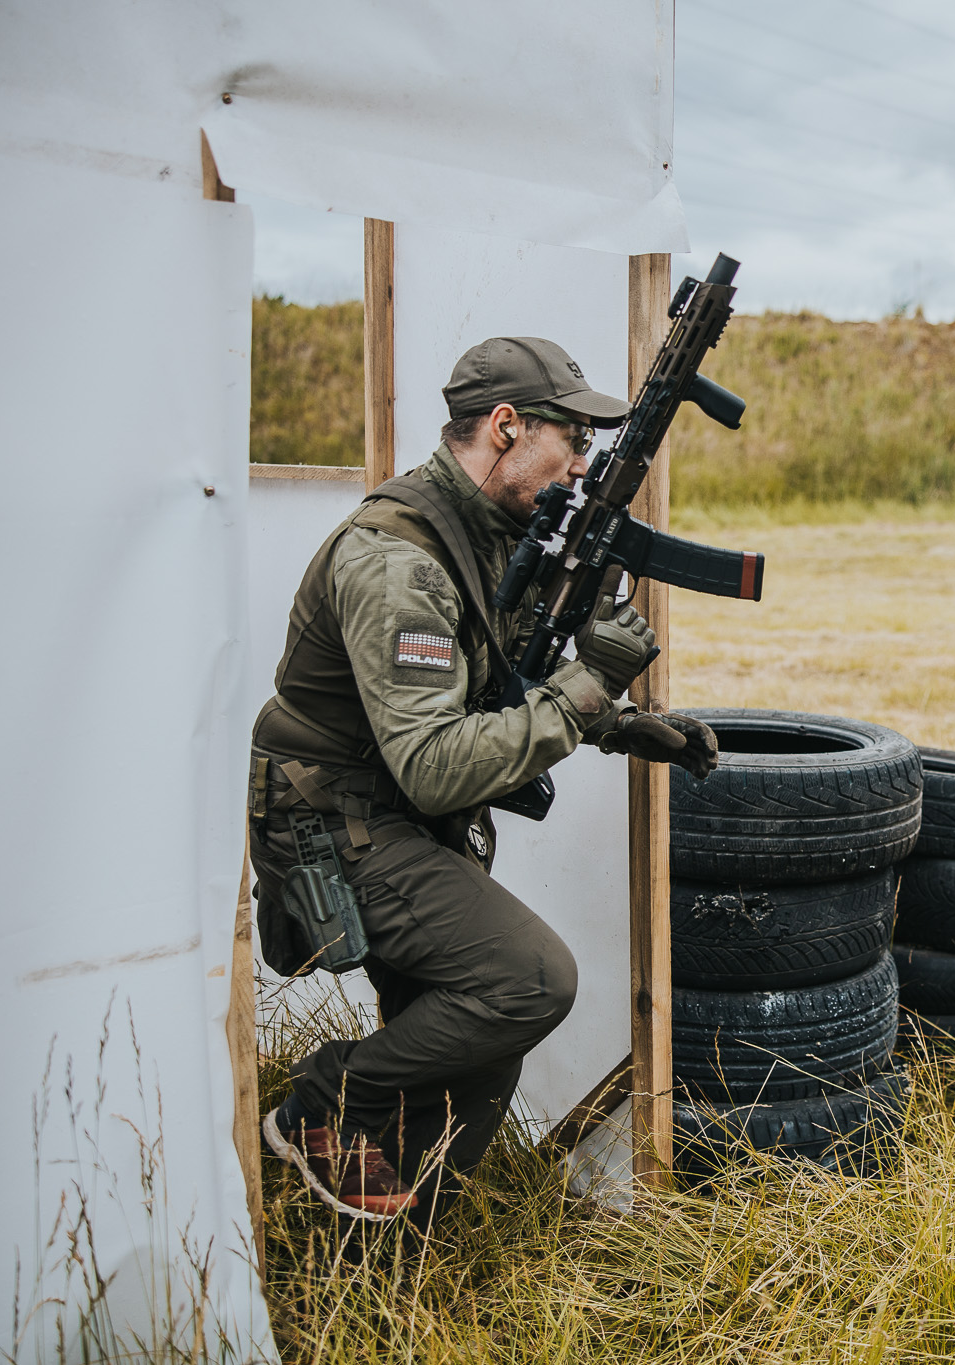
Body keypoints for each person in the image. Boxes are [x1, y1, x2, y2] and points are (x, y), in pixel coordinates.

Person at [250, 336, 720, 1227]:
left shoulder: (489, 535)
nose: (582, 466)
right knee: (529, 977)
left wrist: (624, 727)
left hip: (392, 815)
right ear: (506, 426)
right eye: (571, 440)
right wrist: (590, 687)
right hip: (334, 820)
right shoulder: (398, 561)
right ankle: (324, 1095)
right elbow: (433, 766)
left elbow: (491, 686)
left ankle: (390, 1256)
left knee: (478, 1061)